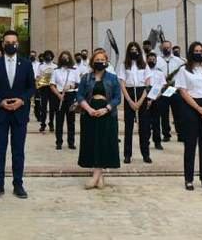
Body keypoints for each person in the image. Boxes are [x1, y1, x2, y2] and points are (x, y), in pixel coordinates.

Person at [0, 30, 35, 199]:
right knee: (0, 150)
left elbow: (32, 88)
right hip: (0, 113)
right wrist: (0, 102)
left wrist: (22, 100)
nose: (11, 44)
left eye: (13, 42)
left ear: (18, 44)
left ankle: (18, 184)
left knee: (18, 150)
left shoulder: (26, 64)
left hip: (20, 113)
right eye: (7, 42)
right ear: (2, 43)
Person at [175, 42, 202, 191]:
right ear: (191, 52)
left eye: (201, 51)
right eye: (196, 51)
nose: (199, 53)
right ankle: (189, 179)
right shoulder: (183, 70)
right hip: (191, 106)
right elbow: (183, 91)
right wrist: (198, 108)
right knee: (190, 144)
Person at [77, 49, 121, 189]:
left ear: (106, 62)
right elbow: (80, 96)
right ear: (92, 62)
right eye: (97, 60)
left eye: (103, 60)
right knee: (92, 142)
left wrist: (106, 109)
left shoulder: (112, 78)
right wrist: (89, 109)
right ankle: (99, 176)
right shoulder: (86, 78)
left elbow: (117, 98)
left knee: (103, 143)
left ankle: (95, 176)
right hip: (89, 114)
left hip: (107, 114)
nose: (100, 62)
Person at [118, 42, 149, 164]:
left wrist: (141, 101)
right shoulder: (124, 65)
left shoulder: (144, 65)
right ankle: (127, 154)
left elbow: (148, 84)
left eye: (136, 49)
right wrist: (130, 101)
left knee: (144, 127)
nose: (134, 51)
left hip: (142, 93)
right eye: (132, 49)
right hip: (129, 93)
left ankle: (145, 154)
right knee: (128, 127)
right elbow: (122, 84)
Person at [155, 40, 185, 143]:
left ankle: (180, 134)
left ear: (171, 48)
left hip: (174, 90)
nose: (166, 49)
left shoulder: (178, 61)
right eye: (164, 47)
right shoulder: (157, 60)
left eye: (168, 47)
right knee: (164, 113)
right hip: (163, 90)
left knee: (178, 113)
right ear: (161, 48)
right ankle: (166, 134)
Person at [50, 51, 79, 150]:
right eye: (63, 57)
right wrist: (58, 95)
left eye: (67, 57)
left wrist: (71, 86)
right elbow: (52, 85)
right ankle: (59, 142)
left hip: (70, 95)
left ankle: (71, 142)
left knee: (71, 120)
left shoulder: (74, 70)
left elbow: (78, 84)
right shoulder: (56, 71)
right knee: (59, 121)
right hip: (59, 96)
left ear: (70, 58)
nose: (65, 59)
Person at [143, 52, 164, 153]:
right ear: (147, 60)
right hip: (145, 98)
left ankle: (157, 142)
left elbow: (162, 86)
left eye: (153, 59)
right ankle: (145, 141)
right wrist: (148, 99)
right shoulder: (143, 71)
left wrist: (154, 97)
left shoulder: (159, 72)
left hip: (157, 98)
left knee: (156, 121)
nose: (152, 61)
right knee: (146, 122)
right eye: (150, 59)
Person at [37, 50, 57, 132]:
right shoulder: (41, 66)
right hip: (43, 88)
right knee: (43, 107)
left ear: (52, 56)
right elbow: (38, 77)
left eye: (49, 55)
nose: (48, 57)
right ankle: (43, 124)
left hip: (52, 88)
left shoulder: (55, 66)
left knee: (52, 107)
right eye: (46, 55)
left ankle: (51, 123)